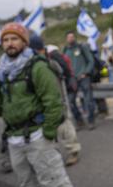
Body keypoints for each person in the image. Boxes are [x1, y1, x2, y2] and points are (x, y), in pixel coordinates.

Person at [0, 23, 72, 187]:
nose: (9, 43)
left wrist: (47, 133)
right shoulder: (2, 72)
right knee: (25, 183)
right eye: (5, 40)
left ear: (24, 42)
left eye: (14, 39)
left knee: (54, 182)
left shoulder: (37, 67)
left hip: (38, 136)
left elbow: (53, 102)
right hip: (14, 139)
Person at [30, 36, 81, 167]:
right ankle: (55, 153)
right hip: (43, 102)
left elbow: (61, 73)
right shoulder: (30, 64)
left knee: (64, 126)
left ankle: (73, 151)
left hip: (58, 99)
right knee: (51, 129)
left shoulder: (51, 61)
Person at [63, 31, 96, 130]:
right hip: (72, 79)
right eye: (68, 37)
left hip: (84, 77)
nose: (70, 38)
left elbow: (91, 60)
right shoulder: (66, 50)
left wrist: (86, 72)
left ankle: (91, 121)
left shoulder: (81, 47)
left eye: (72, 37)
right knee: (71, 101)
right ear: (66, 39)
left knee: (88, 100)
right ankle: (79, 120)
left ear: (74, 38)